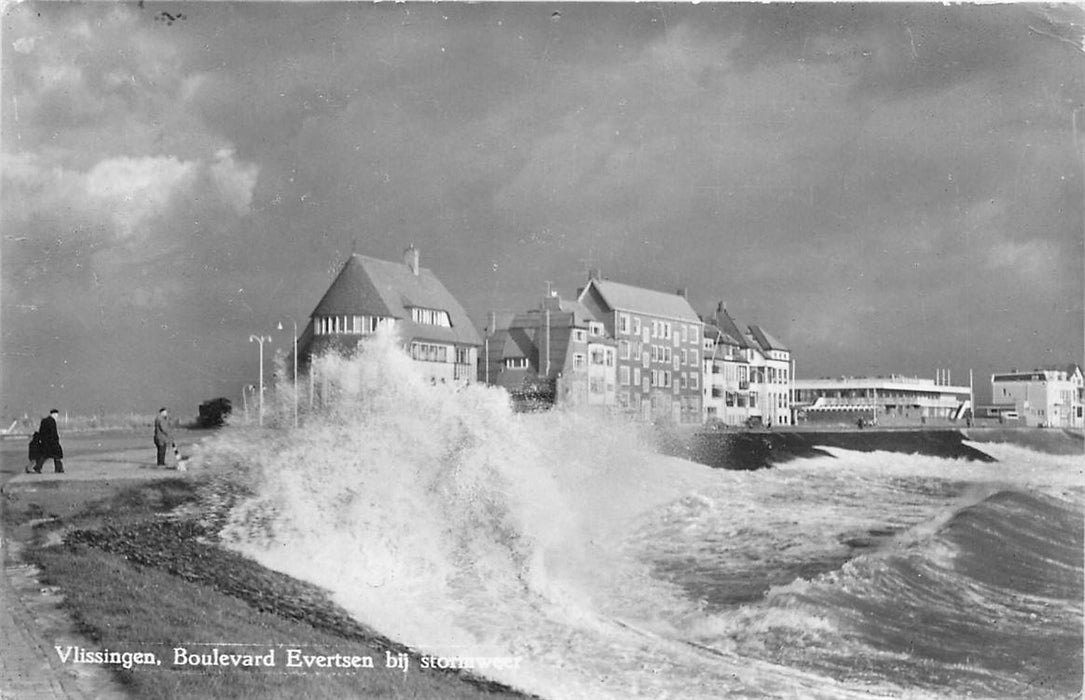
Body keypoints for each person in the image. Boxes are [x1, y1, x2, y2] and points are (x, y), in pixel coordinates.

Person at [34, 409, 64, 473]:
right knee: (57, 455)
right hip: (52, 442)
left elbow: (41, 431)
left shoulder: (44, 420)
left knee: (45, 455)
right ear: (53, 414)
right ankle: (59, 469)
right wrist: (56, 440)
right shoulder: (52, 421)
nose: (57, 416)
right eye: (56, 415)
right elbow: (54, 432)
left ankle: (38, 467)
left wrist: (41, 439)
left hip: (45, 442)